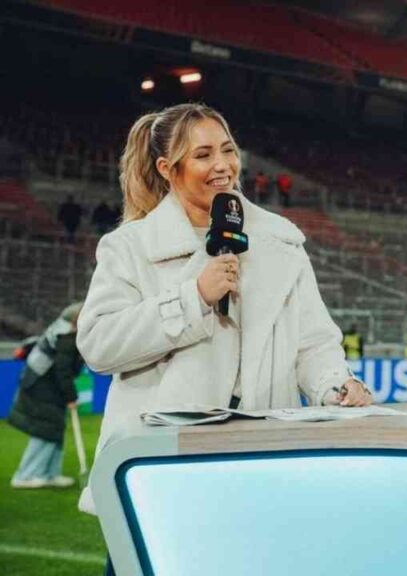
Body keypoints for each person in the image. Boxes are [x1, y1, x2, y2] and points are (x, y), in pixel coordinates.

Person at [76, 103, 372, 520]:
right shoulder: (130, 247)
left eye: (228, 150)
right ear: (167, 167)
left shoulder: (281, 243)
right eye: (203, 155)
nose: (223, 165)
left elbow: (313, 343)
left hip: (259, 466)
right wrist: (192, 297)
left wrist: (336, 385)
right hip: (164, 472)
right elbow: (98, 345)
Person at [9, 303, 83, 489]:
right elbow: (62, 370)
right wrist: (71, 396)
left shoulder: (60, 328)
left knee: (53, 428)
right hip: (41, 386)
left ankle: (49, 474)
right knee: (45, 430)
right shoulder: (67, 336)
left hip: (41, 383)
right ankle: (25, 475)